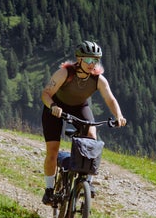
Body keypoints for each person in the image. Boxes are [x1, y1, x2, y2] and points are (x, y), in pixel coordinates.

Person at [40, 40, 127, 204]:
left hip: (79, 107)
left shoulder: (98, 79)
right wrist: (52, 106)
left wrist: (119, 116)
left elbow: (110, 99)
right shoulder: (64, 73)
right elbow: (46, 93)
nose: (91, 64)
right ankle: (49, 190)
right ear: (78, 59)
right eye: (88, 60)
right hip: (55, 108)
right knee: (52, 150)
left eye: (95, 60)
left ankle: (86, 182)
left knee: (92, 137)